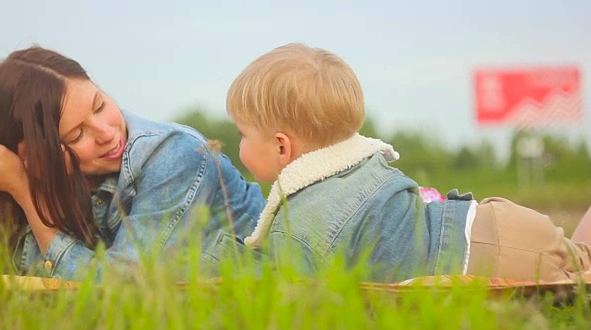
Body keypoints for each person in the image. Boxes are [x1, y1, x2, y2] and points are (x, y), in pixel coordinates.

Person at [225, 43, 591, 283]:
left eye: (242, 133)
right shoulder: (358, 162)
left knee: (578, 271)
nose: (237, 143)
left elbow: (295, 300)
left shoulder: (300, 225)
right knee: (580, 261)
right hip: (494, 222)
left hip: (484, 259)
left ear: (281, 147)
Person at [0, 45, 266, 281]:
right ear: (31, 156)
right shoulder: (65, 178)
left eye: (99, 105)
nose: (107, 133)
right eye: (77, 134)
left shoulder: (176, 155)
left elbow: (118, 283)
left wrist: (24, 192)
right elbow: (34, 277)